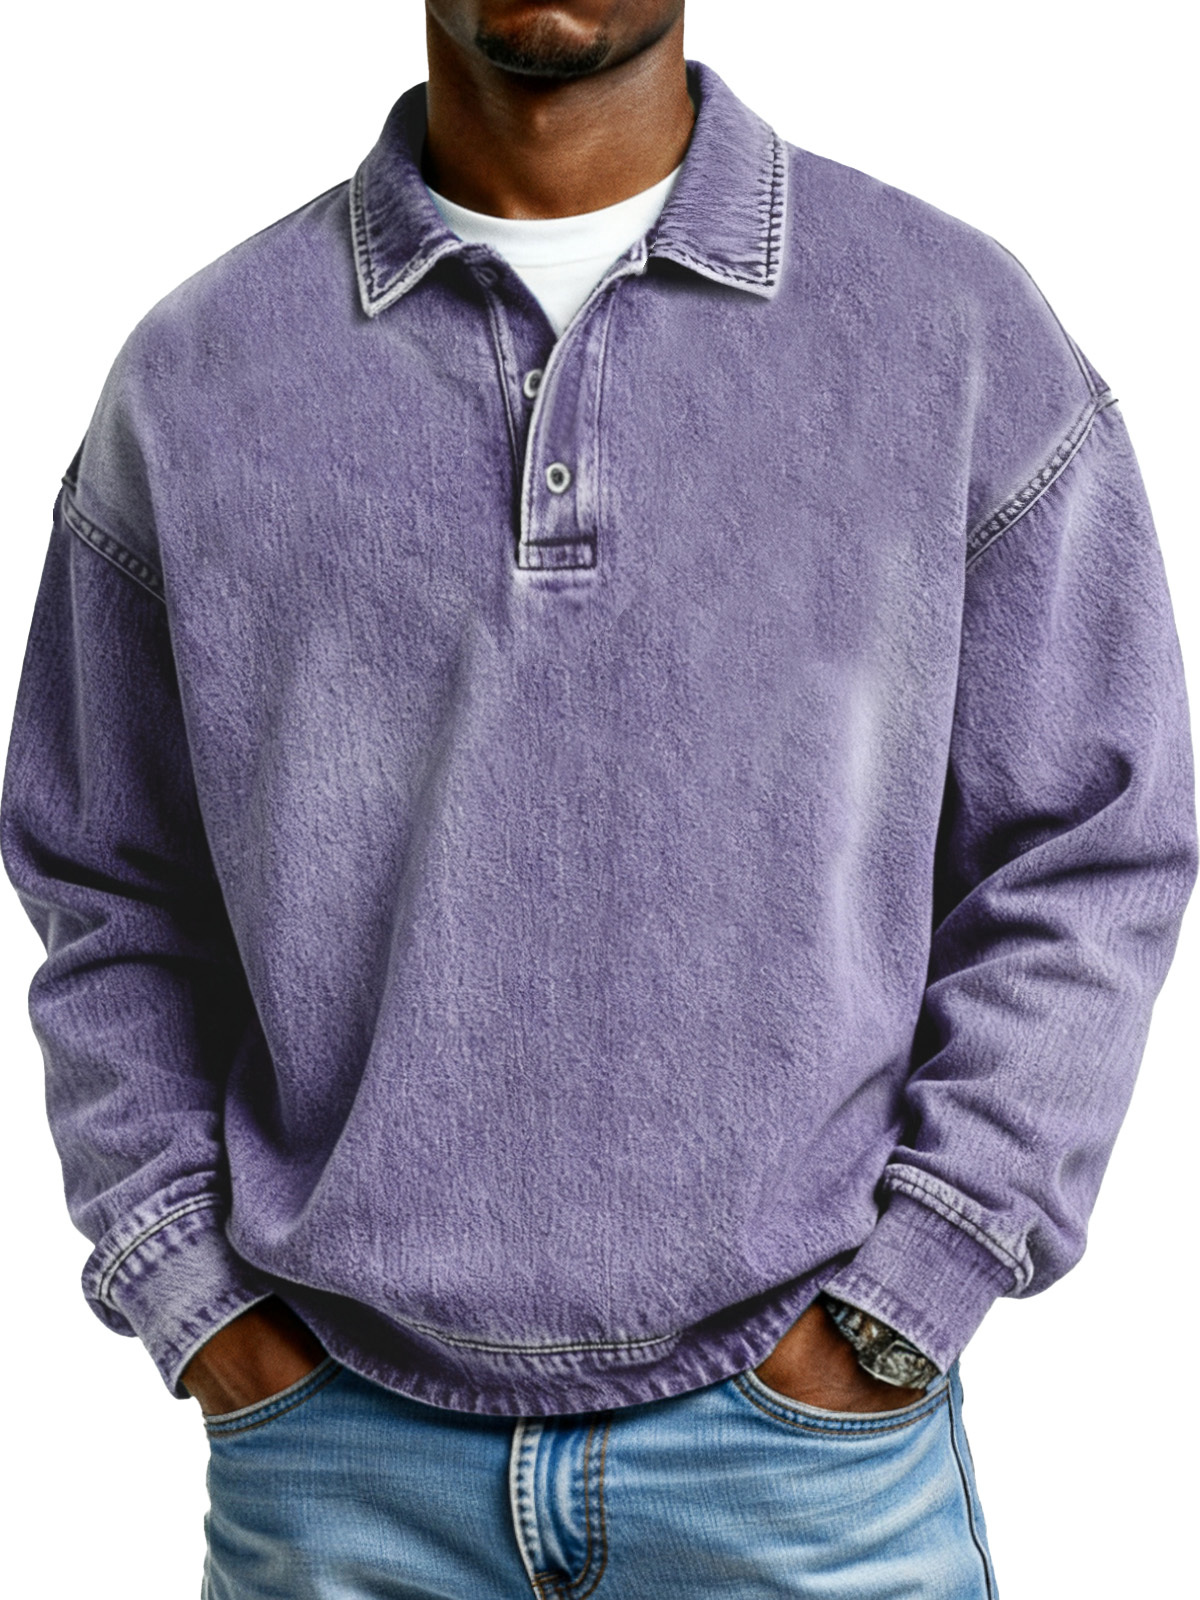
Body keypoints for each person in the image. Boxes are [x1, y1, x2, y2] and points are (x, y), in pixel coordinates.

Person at [1, 0, 1194, 1594]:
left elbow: (1090, 845)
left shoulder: (950, 328)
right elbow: (107, 883)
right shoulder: (200, 376)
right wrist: (192, 1293)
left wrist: (923, 1277)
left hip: (801, 1468)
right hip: (343, 1471)